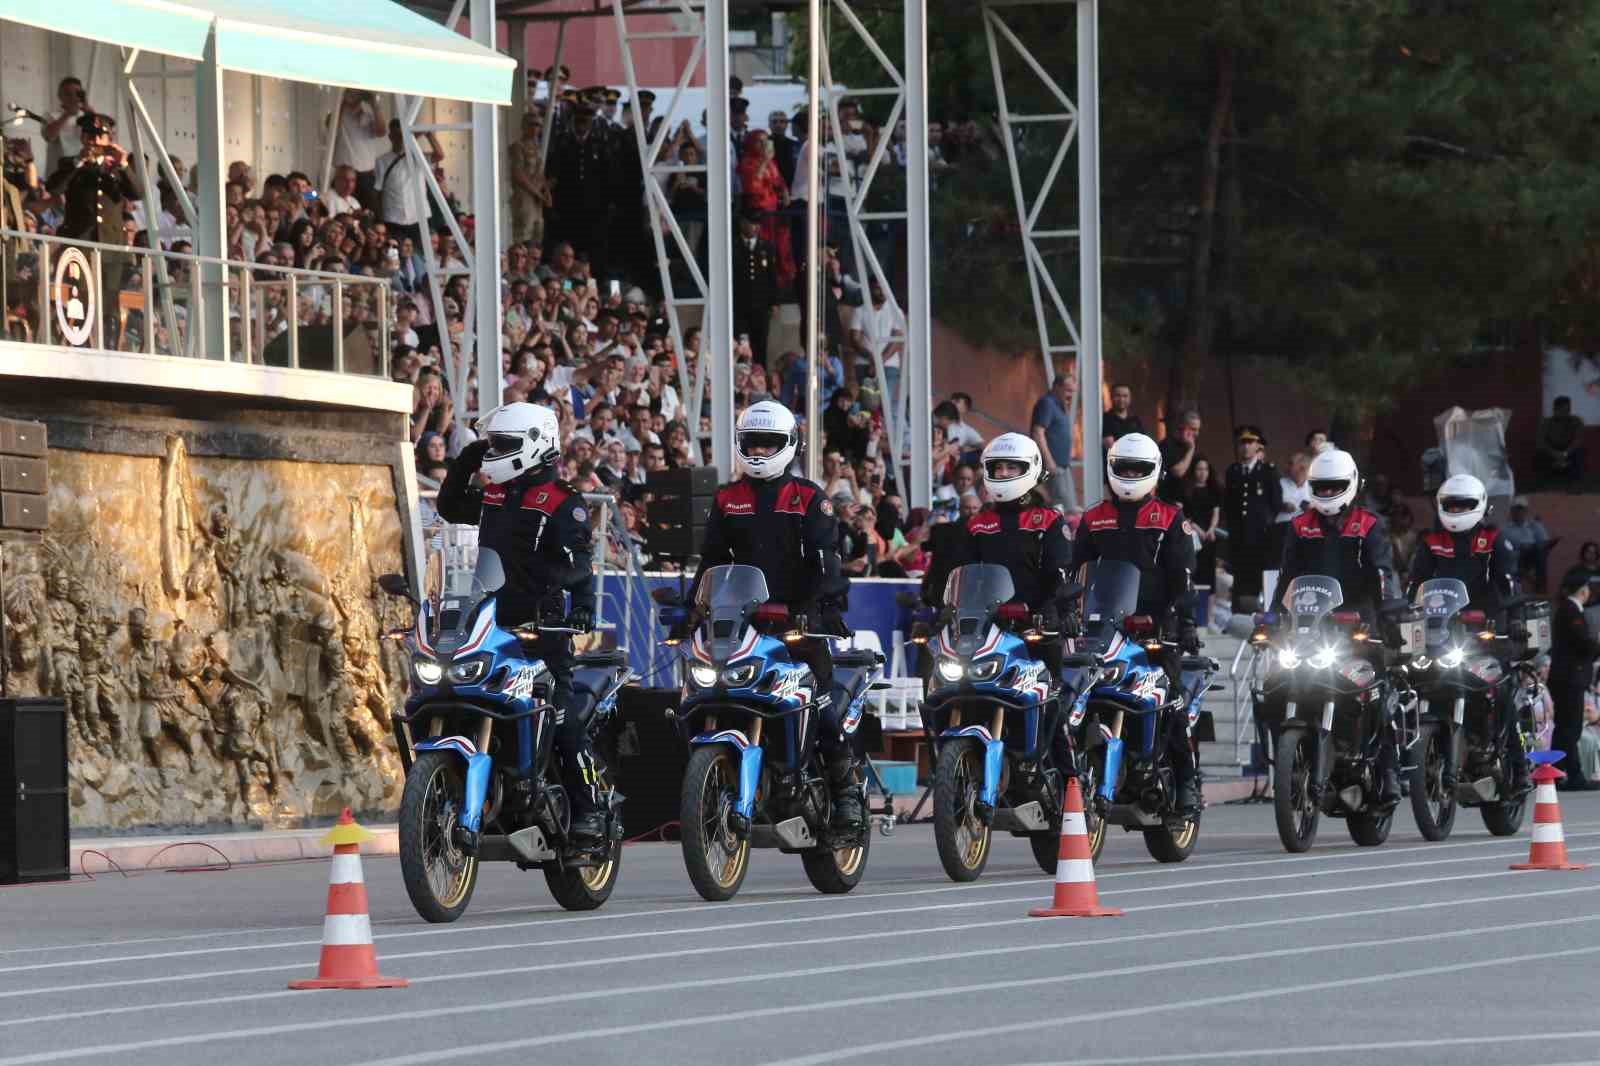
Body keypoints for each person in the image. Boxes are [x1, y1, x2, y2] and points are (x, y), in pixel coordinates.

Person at [434, 402, 606, 847]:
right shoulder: (496, 494)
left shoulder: (563, 503)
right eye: (493, 445)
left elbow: (582, 565)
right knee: (453, 694)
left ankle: (588, 810)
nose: (494, 454)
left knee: (563, 720)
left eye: (502, 446)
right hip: (488, 623)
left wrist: (581, 608)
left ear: (536, 446)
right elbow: (451, 506)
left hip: (541, 632)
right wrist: (468, 458)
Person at [688, 400, 858, 833]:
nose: (761, 450)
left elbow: (827, 564)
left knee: (820, 703)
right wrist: (690, 608)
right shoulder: (728, 498)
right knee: (705, 694)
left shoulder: (808, 498)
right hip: (742, 626)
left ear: (789, 445)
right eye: (753, 442)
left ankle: (847, 796)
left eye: (770, 443)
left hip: (798, 625)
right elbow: (710, 561)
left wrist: (821, 608)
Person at [1070, 432, 1201, 812]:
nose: (1128, 474)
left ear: (1154, 472)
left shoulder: (1171, 519)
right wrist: (1066, 609)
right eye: (1122, 467)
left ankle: (1187, 782)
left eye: (1137, 469)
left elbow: (1184, 577)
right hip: (1102, 629)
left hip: (1156, 629)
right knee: (1071, 696)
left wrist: (1184, 619)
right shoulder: (1093, 519)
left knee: (1172, 701)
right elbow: (1074, 573)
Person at [1277, 448, 1402, 804]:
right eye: (1322, 487)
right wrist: (1272, 617)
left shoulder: (1370, 525)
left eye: (1335, 487)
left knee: (1377, 696)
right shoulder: (1299, 526)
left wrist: (1387, 614)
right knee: (1276, 685)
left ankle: (1388, 770)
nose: (1328, 493)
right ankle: (1293, 762)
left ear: (1349, 486)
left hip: (1358, 627)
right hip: (1311, 627)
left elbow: (1382, 574)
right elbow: (1288, 577)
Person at [1405, 474, 1525, 792]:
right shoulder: (1431, 542)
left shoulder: (1495, 540)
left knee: (1500, 693)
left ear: (1480, 505)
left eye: (1464, 505)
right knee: (1412, 683)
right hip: (1440, 632)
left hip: (1486, 632)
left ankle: (1518, 765)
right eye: (1451, 505)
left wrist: (1513, 619)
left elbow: (1511, 584)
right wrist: (1405, 615)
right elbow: (1415, 586)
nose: (1457, 510)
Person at [1549, 571, 1600, 790]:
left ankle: (1556, 773)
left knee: (1566, 729)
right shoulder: (1571, 611)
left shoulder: (1570, 610)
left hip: (1568, 678)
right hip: (1569, 678)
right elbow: (1582, 643)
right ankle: (1573, 774)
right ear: (1582, 589)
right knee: (1570, 728)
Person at [1223, 426, 1282, 610]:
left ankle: (1261, 613)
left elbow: (1276, 501)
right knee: (1239, 575)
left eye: (1250, 442)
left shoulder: (1268, 470)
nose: (1246, 447)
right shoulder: (1233, 471)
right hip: (1239, 535)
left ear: (1258, 446)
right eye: (1242, 443)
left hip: (1260, 535)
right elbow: (1228, 503)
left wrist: (1266, 523)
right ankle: (1239, 612)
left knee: (1259, 574)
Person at [732, 211, 779, 372]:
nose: (755, 227)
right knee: (742, 343)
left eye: (757, 224)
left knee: (761, 343)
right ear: (743, 224)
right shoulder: (733, 246)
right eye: (752, 223)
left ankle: (760, 374)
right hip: (740, 305)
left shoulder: (766, 247)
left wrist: (774, 302)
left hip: (760, 305)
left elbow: (772, 277)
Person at [1030, 372, 1078, 510]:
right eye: (1068, 390)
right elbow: (1038, 433)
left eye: (1072, 391)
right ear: (1056, 387)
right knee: (1062, 506)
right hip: (1053, 466)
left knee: (1068, 506)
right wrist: (1049, 461)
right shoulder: (1047, 403)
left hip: (1062, 466)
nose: (1070, 395)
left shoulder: (1060, 405)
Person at [1184, 457, 1223, 592]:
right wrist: (1200, 531)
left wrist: (1211, 530)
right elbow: (1187, 517)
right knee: (1194, 571)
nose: (1202, 472)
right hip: (1193, 535)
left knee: (1209, 576)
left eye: (1205, 469)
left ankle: (1208, 612)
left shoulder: (1214, 490)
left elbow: (1216, 513)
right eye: (1199, 469)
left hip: (1209, 536)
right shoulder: (1188, 491)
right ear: (1194, 471)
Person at [1503, 496, 1552, 593]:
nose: (1519, 512)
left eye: (1522, 509)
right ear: (1512, 511)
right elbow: (1505, 547)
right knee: (1538, 552)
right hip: (1517, 557)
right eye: (1517, 509)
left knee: (1540, 550)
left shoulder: (1534, 525)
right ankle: (1541, 587)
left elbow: (1545, 542)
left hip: (1534, 556)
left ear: (1526, 511)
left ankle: (1541, 588)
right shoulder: (1506, 529)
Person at [1535, 396, 1585, 488]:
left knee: (1579, 452)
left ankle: (1575, 483)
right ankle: (1542, 485)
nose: (1566, 412)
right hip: (1552, 450)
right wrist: (1554, 453)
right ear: (1555, 410)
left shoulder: (1576, 421)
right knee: (1539, 454)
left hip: (1569, 450)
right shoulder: (1546, 422)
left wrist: (1565, 453)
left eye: (1568, 409)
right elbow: (1540, 442)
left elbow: (1578, 440)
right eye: (1563, 410)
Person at [1158, 410, 1201, 503]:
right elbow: (1178, 472)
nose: (1197, 433)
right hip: (1169, 503)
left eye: (1198, 430)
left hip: (1187, 505)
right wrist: (1191, 450)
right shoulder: (1167, 445)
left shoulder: (1189, 446)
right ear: (1182, 427)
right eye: (1193, 429)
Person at [1101, 383, 1144, 452]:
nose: (1121, 399)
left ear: (1130, 399)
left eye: (1125, 396)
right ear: (1111, 397)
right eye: (1117, 396)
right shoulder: (1106, 419)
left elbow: (1143, 444)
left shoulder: (1135, 420)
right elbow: (1111, 448)